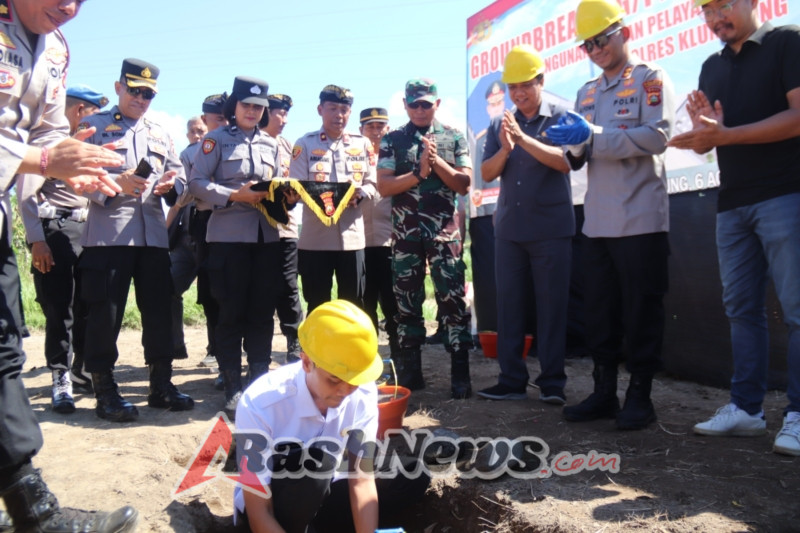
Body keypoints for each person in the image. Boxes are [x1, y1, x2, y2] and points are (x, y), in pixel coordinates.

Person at [0, 1, 139, 531]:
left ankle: (31, 510)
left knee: (5, 351)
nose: (69, 7)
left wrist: (66, 165)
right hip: (41, 223)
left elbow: (44, 132)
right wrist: (41, 163)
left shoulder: (55, 47)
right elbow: (34, 159)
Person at [667, 0, 800, 456]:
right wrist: (705, 133)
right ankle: (746, 409)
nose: (715, 18)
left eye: (724, 6)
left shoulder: (788, 42)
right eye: (707, 10)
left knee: (797, 309)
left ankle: (798, 414)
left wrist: (726, 135)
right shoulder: (711, 66)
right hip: (732, 203)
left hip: (787, 193)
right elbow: (711, 143)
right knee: (741, 309)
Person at [545, 0, 674, 430]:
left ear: (624, 33)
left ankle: (640, 396)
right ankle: (604, 393)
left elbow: (657, 137)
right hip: (598, 221)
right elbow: (578, 157)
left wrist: (594, 136)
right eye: (588, 44)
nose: (596, 49)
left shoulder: (650, 79)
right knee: (600, 313)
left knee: (641, 312)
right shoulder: (586, 93)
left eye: (602, 39)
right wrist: (573, 143)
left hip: (640, 219)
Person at [234, 299, 429, 532]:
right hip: (273, 508)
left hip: (323, 490)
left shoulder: (363, 392)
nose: (345, 390)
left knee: (412, 475)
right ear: (307, 362)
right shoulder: (259, 404)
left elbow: (362, 479)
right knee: (317, 466)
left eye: (354, 380)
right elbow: (259, 511)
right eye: (334, 379)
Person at [78, 58, 195, 423]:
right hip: (108, 236)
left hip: (153, 238)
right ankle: (105, 392)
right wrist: (117, 184)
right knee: (106, 314)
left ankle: (161, 385)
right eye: (135, 91)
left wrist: (170, 186)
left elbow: (181, 179)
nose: (142, 99)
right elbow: (77, 177)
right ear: (118, 88)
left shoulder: (160, 133)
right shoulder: (94, 127)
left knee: (159, 312)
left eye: (148, 94)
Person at [189, 76, 299, 417]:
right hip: (228, 239)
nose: (252, 111)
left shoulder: (271, 144)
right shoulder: (215, 140)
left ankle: (258, 382)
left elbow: (276, 187)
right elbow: (196, 183)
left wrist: (289, 197)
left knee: (262, 313)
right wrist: (234, 195)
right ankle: (232, 384)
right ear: (234, 107)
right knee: (231, 313)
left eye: (258, 107)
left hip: (267, 239)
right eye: (246, 105)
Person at [476, 46, 574, 405]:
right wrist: (505, 148)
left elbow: (565, 162)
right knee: (510, 307)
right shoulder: (498, 124)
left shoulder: (561, 117)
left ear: (541, 82)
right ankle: (512, 380)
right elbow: (487, 173)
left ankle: (552, 383)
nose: (518, 94)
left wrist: (523, 140)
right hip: (510, 231)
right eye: (513, 87)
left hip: (551, 229)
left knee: (552, 308)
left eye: (525, 85)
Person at [376, 79, 473, 399]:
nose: (420, 109)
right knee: (406, 302)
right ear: (405, 105)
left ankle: (460, 373)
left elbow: (463, 183)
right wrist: (419, 173)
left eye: (426, 104)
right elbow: (385, 186)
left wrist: (436, 161)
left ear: (437, 104)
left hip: (445, 234)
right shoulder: (392, 139)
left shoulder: (453, 136)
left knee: (453, 301)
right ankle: (411, 373)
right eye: (414, 104)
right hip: (406, 235)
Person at [16, 85, 108, 413]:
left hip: (88, 231)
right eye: (92, 113)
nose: (96, 120)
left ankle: (79, 368)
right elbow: (26, 194)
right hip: (56, 230)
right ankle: (60, 376)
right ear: (79, 111)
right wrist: (36, 240)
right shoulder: (47, 146)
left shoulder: (84, 148)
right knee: (59, 309)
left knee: (87, 304)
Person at [289, 85, 377, 313]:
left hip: (353, 238)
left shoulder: (362, 144)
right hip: (316, 240)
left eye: (344, 110)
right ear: (320, 110)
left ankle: (349, 339)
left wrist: (360, 194)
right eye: (333, 108)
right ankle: (317, 340)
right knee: (317, 304)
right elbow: (296, 188)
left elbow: (373, 183)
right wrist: (330, 197)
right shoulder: (304, 144)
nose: (339, 115)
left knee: (353, 304)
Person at [169, 94, 228, 369]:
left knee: (227, 293)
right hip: (196, 231)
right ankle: (202, 349)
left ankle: (224, 353)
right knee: (207, 292)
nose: (198, 135)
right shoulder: (189, 154)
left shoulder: (236, 145)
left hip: (232, 226)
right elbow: (179, 198)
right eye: (218, 118)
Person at [263, 93, 303, 364]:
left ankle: (294, 342)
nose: (285, 120)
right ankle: (259, 349)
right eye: (280, 113)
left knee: (289, 286)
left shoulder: (289, 146)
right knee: (260, 289)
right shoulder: (250, 142)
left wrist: (294, 196)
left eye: (287, 114)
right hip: (256, 231)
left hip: (286, 229)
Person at [359, 107, 399, 356]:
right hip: (359, 243)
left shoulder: (397, 159)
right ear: (360, 129)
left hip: (389, 242)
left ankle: (398, 355)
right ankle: (368, 357)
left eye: (380, 126)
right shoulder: (353, 157)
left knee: (393, 304)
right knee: (365, 306)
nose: (375, 131)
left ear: (388, 128)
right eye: (370, 126)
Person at [468, 81, 506, 340]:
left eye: (499, 102)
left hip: (520, 214)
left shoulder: (521, 134)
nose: (495, 107)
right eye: (491, 104)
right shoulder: (480, 140)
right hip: (488, 213)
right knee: (492, 280)